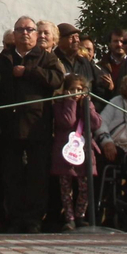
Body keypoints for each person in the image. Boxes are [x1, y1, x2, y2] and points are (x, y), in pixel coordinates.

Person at [0, 14, 65, 232]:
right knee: (12, 175)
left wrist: (29, 72)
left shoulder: (46, 57)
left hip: (38, 126)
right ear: (14, 34)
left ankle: (34, 219)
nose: (25, 33)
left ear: (36, 35)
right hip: (9, 126)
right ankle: (15, 218)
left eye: (29, 30)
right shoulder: (3, 58)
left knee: (37, 177)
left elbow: (56, 79)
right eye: (20, 30)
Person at [49, 74, 94, 231]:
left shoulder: (87, 103)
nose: (76, 92)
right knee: (66, 188)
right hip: (65, 152)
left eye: (79, 90)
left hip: (84, 151)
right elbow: (67, 120)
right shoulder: (59, 104)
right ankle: (69, 218)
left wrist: (86, 105)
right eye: (72, 89)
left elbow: (96, 122)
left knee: (84, 186)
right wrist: (70, 102)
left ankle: (80, 215)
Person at [55, 23, 96, 90]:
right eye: (71, 37)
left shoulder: (84, 62)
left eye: (77, 37)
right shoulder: (54, 61)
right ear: (59, 40)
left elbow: (93, 86)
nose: (75, 40)